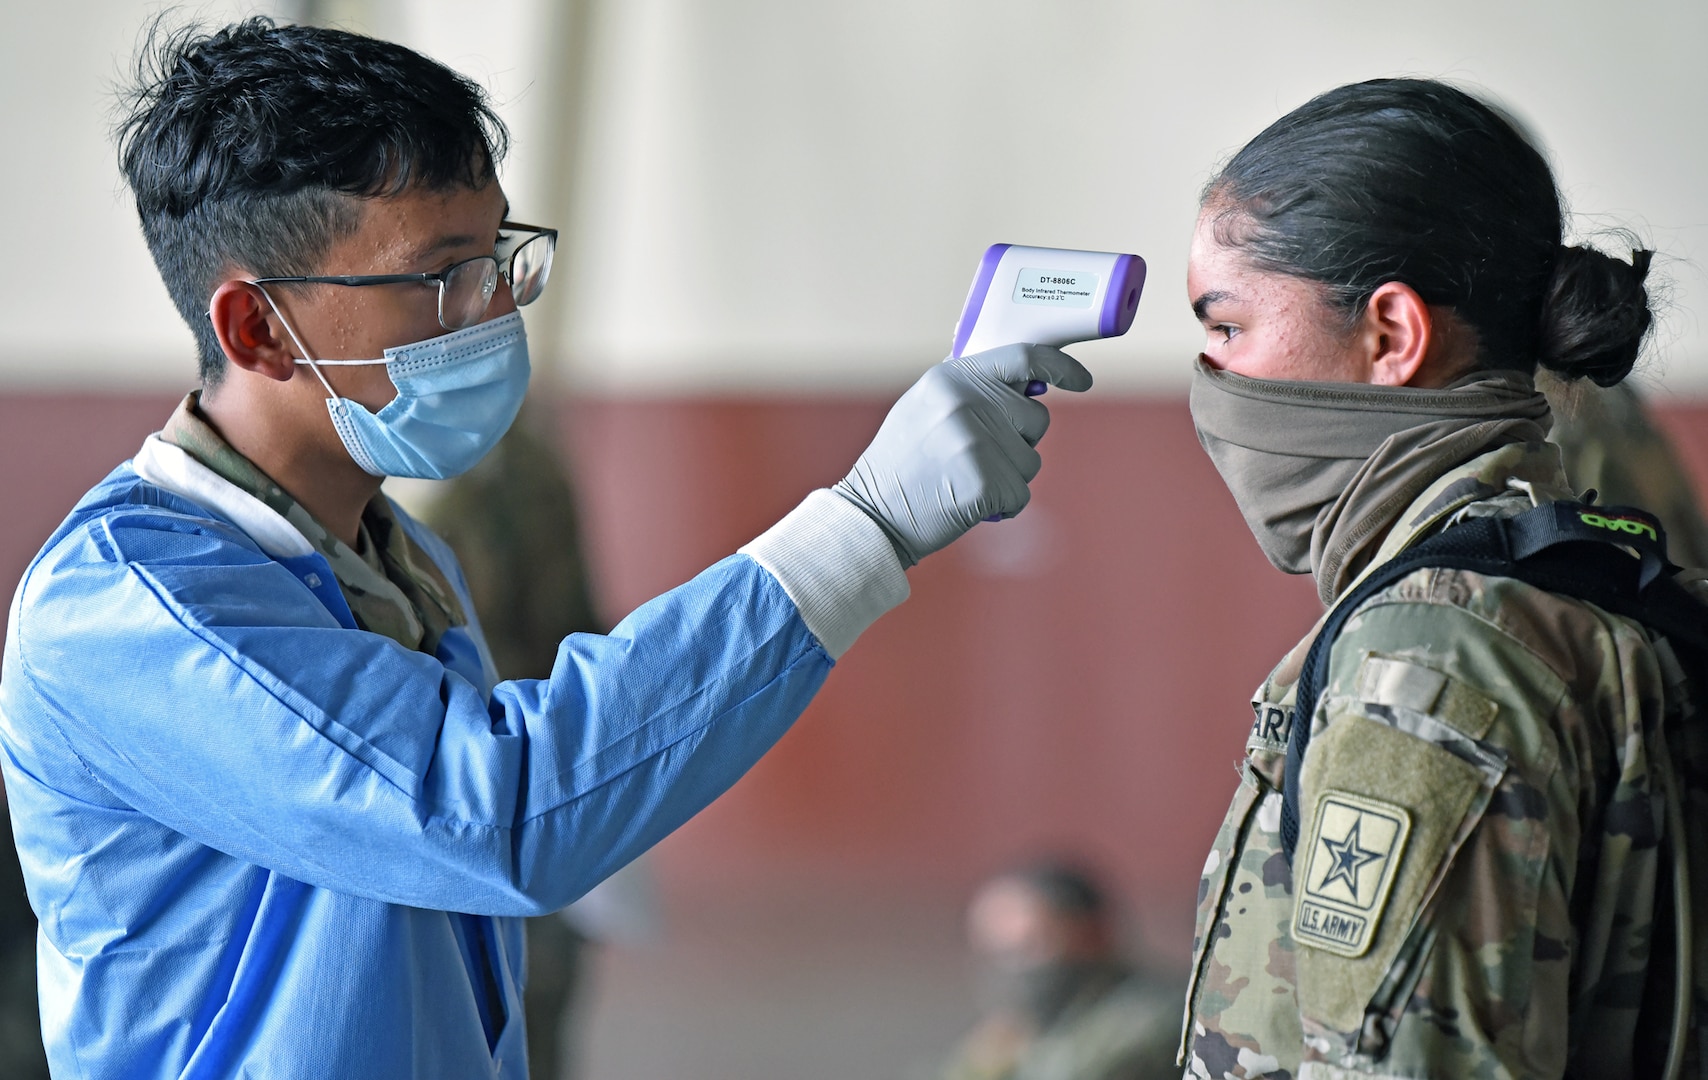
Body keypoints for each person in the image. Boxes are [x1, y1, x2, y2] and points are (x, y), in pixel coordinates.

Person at [0, 18, 1091, 1080]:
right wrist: (864, 523)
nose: (491, 317)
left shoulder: (391, 554)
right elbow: (490, 812)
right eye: (443, 281)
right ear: (257, 330)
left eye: (497, 261)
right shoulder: (130, 606)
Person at [1177, 79, 1708, 1078]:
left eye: (1226, 326)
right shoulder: (1595, 574)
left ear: (1390, 335)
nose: (1209, 376)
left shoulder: (1428, 656)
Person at [938, 862, 1180, 1080]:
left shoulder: (1147, 1016)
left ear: (1091, 937)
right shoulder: (1030, 1027)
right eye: (993, 952)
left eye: (1029, 946)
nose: (1009, 968)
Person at [1545, 377, 1708, 570]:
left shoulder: (1617, 387)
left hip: (1660, 563)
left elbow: (1680, 502)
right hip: (1612, 566)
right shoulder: (1544, 391)